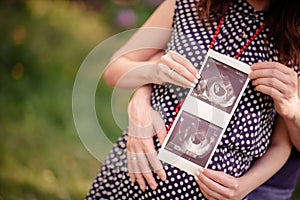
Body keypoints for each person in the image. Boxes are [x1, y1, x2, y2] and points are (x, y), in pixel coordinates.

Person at [85, 0, 299, 199]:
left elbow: (281, 144)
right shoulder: (186, 4)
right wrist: (153, 71)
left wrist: (242, 187)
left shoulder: (294, 39)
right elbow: (115, 69)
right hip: (136, 173)